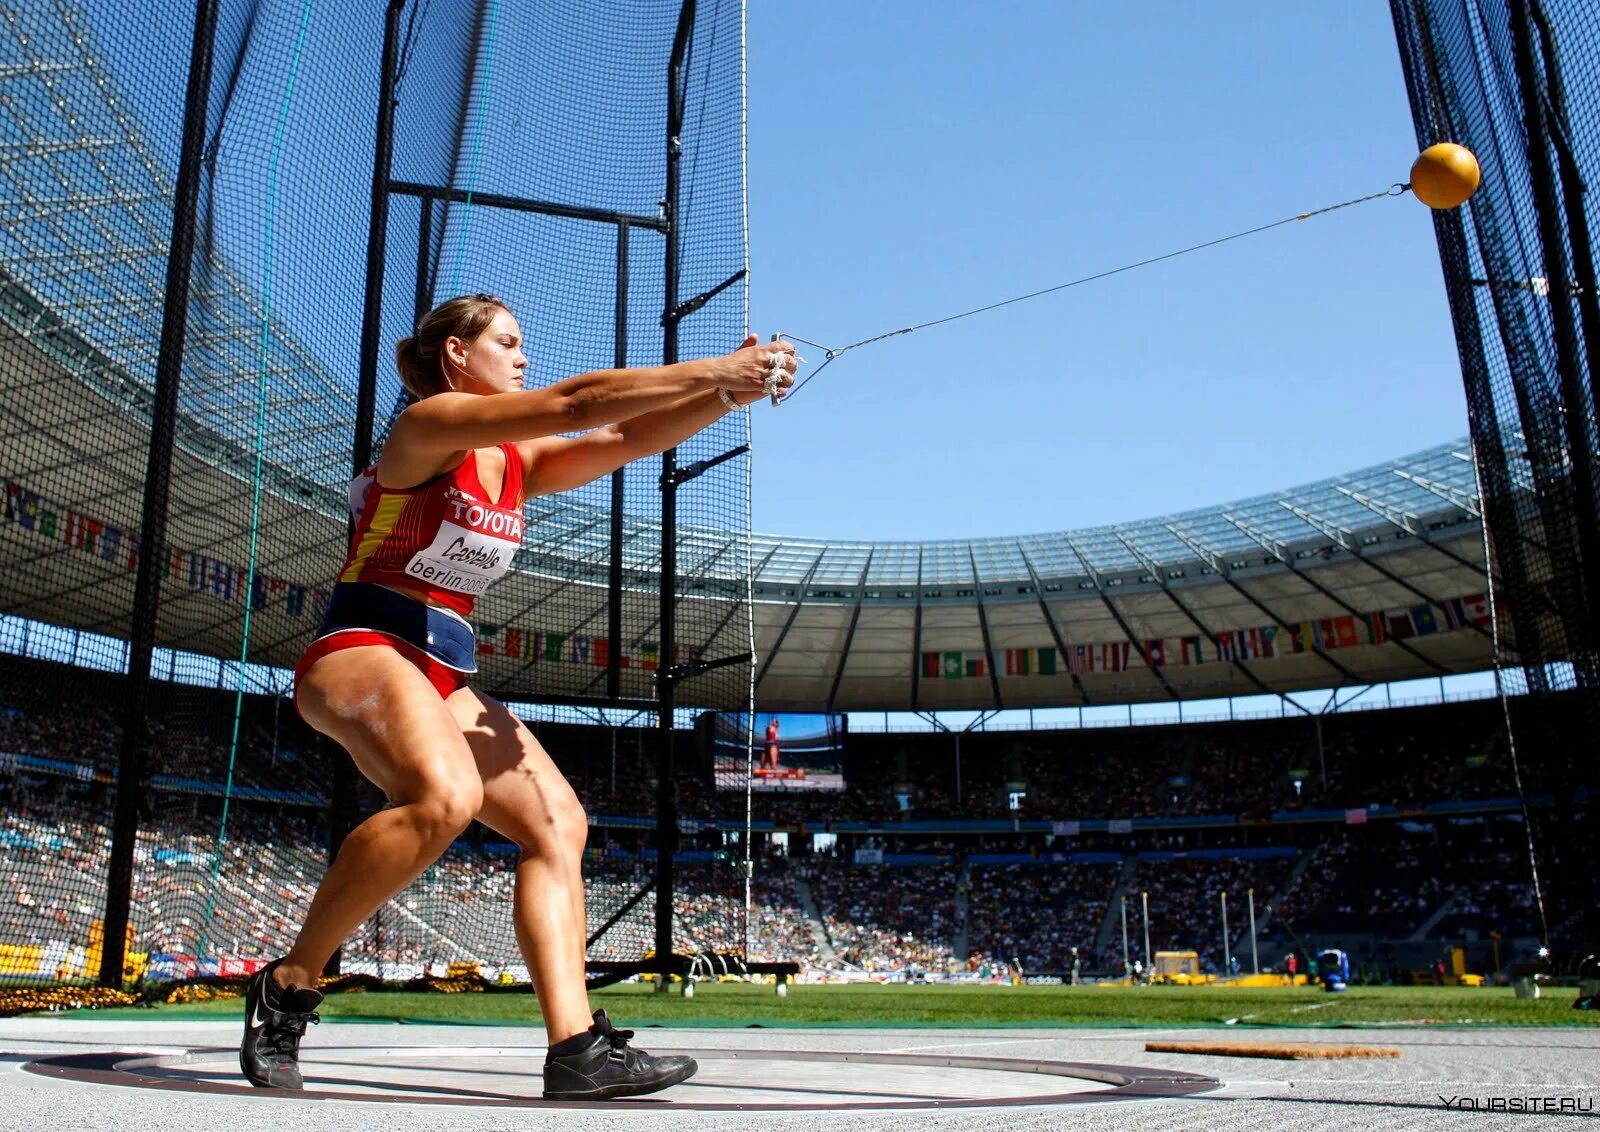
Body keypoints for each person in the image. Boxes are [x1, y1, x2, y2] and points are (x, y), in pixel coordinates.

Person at [239, 294, 795, 1100]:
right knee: (445, 796)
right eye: (508, 341)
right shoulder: (427, 427)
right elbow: (577, 402)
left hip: (437, 671)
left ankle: (575, 1050)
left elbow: (619, 436)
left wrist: (724, 398)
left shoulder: (516, 462)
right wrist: (718, 365)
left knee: (558, 823)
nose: (524, 355)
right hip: (360, 649)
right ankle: (290, 983)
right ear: (457, 357)